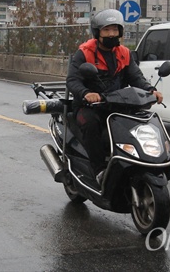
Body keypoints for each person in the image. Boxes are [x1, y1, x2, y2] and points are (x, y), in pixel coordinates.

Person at [66, 9, 163, 182]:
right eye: (107, 30)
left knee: (139, 122)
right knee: (91, 124)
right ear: (97, 32)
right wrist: (86, 93)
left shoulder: (124, 53)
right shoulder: (85, 52)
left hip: (117, 104)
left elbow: (135, 77)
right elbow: (73, 80)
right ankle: (99, 170)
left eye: (114, 30)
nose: (112, 34)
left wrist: (150, 90)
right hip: (89, 106)